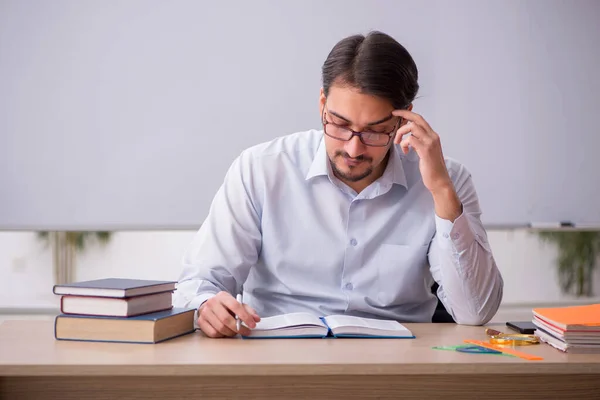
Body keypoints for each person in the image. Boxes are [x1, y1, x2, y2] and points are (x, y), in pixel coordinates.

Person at [173, 31, 503, 338]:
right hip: (275, 356)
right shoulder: (261, 169)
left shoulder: (447, 180)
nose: (353, 148)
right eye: (340, 124)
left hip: (400, 365)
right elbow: (198, 284)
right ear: (322, 105)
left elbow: (475, 312)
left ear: (404, 120)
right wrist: (207, 306)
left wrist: (442, 193)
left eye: (375, 130)